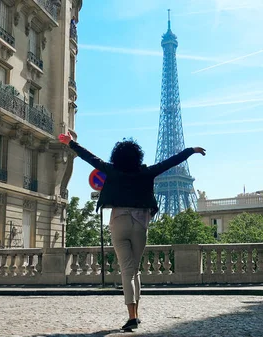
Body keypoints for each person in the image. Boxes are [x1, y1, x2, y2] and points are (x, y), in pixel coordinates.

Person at [58, 132, 205, 331]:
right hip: (140, 222)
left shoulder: (112, 171)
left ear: (117, 156)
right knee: (134, 270)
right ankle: (136, 314)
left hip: (119, 221)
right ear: (138, 156)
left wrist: (71, 143)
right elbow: (168, 163)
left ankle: (132, 317)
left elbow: (90, 158)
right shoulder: (146, 173)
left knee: (126, 270)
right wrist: (191, 151)